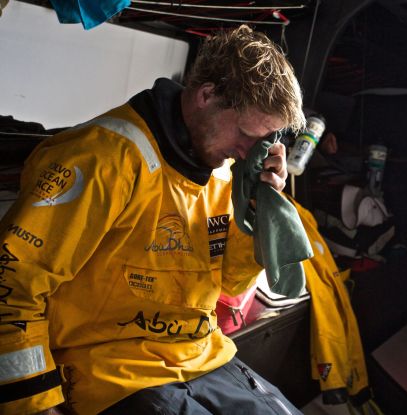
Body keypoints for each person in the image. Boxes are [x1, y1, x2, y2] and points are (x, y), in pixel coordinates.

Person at [0, 25, 306, 414]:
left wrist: (257, 211)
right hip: (113, 373)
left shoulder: (226, 172)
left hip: (202, 356)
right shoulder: (102, 159)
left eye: (262, 141)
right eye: (246, 135)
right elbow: (12, 284)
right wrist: (34, 404)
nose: (249, 153)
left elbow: (230, 283)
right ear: (206, 95)